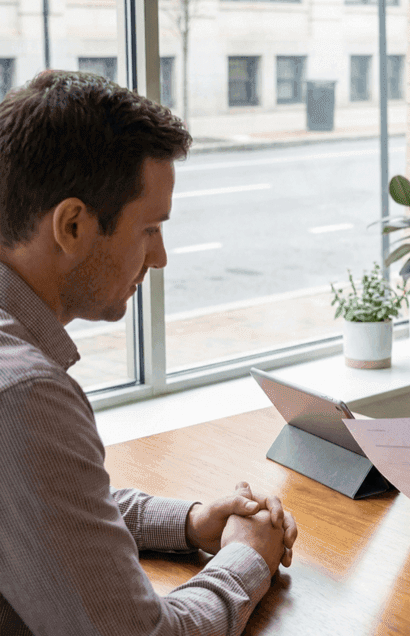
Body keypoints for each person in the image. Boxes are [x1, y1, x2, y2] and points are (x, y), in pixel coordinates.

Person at [0, 70, 298, 635]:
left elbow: (51, 497)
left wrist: (188, 523)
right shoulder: (23, 394)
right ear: (71, 224)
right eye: (150, 229)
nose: (159, 258)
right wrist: (249, 557)